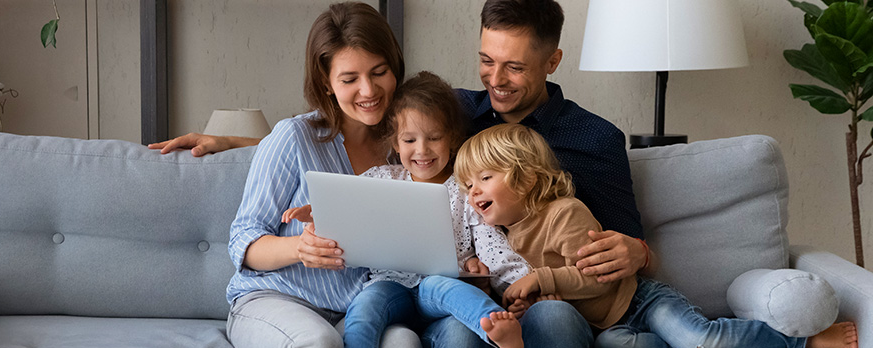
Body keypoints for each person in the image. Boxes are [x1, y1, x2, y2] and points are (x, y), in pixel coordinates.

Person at [149, 0, 651, 288]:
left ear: (553, 61)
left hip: (556, 290)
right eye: (486, 60)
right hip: (463, 285)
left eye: (515, 67)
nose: (496, 80)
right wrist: (238, 142)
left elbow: (635, 241)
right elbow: (354, 126)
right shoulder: (458, 112)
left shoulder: (595, 138)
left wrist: (636, 252)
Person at [455, 123, 861, 348]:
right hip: (606, 327)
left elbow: (597, 279)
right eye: (468, 185)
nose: (473, 193)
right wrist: (532, 299)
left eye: (485, 179)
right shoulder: (508, 235)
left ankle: (801, 339)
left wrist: (542, 280)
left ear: (526, 177)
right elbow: (557, 297)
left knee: (701, 339)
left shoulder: (563, 212)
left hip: (640, 300)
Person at [281, 71, 532, 348]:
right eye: (410, 140)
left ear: (451, 138)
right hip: (389, 287)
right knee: (363, 308)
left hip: (437, 289)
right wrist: (319, 213)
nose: (422, 150)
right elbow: (347, 209)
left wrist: (522, 286)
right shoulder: (381, 178)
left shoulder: (466, 191)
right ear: (396, 143)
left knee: (445, 287)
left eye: (434, 138)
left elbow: (493, 247)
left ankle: (495, 327)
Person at [222, 3, 407, 348]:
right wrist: (299, 249)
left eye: (379, 72)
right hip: (274, 300)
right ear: (326, 82)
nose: (368, 89)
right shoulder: (293, 137)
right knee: (319, 345)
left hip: (357, 309)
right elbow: (243, 239)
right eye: (349, 79)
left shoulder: (408, 147)